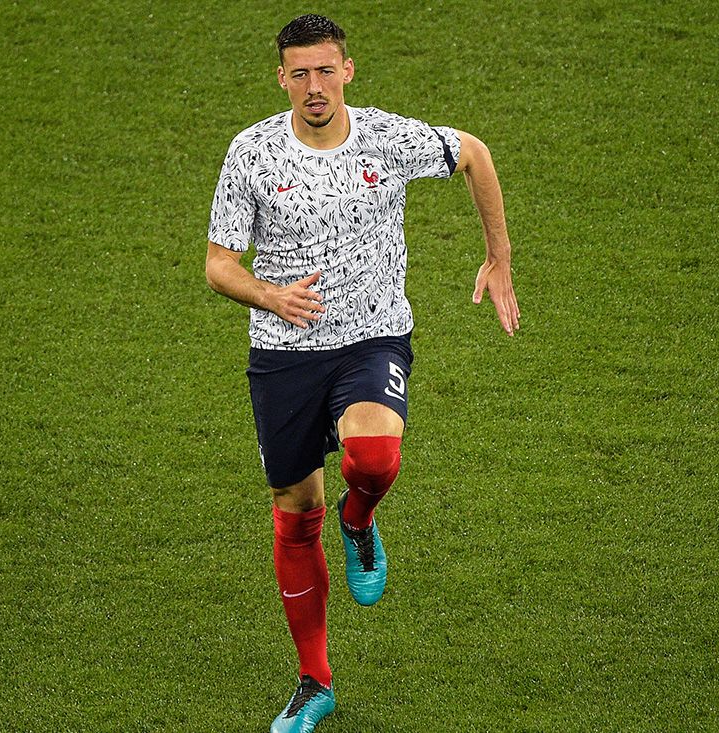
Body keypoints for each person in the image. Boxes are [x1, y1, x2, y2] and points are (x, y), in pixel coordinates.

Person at [205, 13, 519, 732]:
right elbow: (219, 262)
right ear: (281, 78)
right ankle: (314, 681)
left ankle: (361, 517)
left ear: (347, 69)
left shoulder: (386, 137)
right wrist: (268, 293)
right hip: (283, 352)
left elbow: (473, 153)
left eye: (326, 70)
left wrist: (498, 255)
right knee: (292, 514)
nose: (314, 86)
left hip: (372, 338)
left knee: (374, 458)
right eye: (299, 73)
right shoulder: (251, 153)